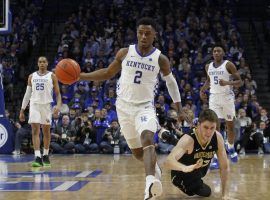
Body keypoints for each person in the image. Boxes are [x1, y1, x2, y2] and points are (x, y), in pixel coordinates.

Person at [79, 17, 192, 199]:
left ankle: (149, 185)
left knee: (147, 138)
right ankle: (154, 169)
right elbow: (108, 73)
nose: (144, 36)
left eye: (148, 33)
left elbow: (171, 84)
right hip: (123, 107)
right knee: (138, 153)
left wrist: (179, 109)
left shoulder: (160, 59)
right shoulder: (125, 52)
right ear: (137, 33)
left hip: (144, 107)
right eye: (140, 33)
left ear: (154, 35)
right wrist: (81, 76)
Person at [163, 109, 229, 199]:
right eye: (205, 127)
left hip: (198, 172)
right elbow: (167, 162)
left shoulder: (218, 137)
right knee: (206, 192)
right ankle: (169, 137)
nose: (209, 132)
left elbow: (224, 167)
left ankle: (169, 137)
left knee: (205, 188)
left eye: (212, 128)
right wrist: (184, 168)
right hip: (181, 176)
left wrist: (224, 195)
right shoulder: (189, 139)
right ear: (198, 125)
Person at [200, 44, 242, 163]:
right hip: (214, 98)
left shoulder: (228, 65)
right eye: (214, 51)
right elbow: (209, 81)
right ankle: (216, 155)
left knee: (230, 126)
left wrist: (228, 83)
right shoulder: (208, 66)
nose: (216, 53)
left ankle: (231, 146)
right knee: (214, 126)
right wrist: (202, 90)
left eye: (219, 51)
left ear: (223, 53)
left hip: (227, 98)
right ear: (212, 53)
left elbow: (240, 82)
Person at [19, 56, 62, 167]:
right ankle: (37, 157)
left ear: (47, 63)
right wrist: (22, 110)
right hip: (34, 105)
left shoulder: (52, 76)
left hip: (47, 106)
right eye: (40, 62)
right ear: (38, 64)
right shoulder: (31, 76)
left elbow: (58, 93)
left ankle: (46, 155)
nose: (42, 63)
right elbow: (27, 94)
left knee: (46, 132)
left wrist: (58, 105)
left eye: (44, 61)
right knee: (35, 130)